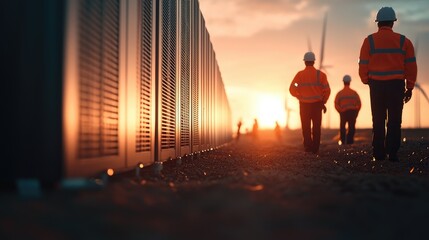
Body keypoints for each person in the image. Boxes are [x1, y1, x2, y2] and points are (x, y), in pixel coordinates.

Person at [359, 6, 417, 162]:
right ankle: (392, 153)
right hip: (396, 86)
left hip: (376, 85)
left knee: (378, 120)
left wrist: (366, 80)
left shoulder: (368, 41)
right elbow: (411, 66)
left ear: (378, 23)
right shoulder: (405, 41)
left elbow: (363, 64)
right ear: (393, 23)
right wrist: (409, 87)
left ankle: (378, 154)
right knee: (394, 120)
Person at [289, 51, 331, 154]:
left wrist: (298, 96)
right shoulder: (321, 75)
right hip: (317, 105)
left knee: (306, 127)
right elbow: (327, 90)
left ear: (305, 62)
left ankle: (308, 148)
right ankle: (315, 149)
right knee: (316, 127)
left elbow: (292, 88)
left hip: (304, 105)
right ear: (314, 61)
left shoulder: (300, 75)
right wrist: (323, 101)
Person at [334, 75, 361, 145]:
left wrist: (340, 111)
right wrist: (356, 112)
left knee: (342, 128)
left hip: (343, 112)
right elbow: (359, 103)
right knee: (351, 127)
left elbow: (336, 103)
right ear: (350, 82)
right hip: (352, 112)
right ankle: (350, 142)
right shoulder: (354, 93)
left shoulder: (340, 93)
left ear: (343, 82)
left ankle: (343, 142)